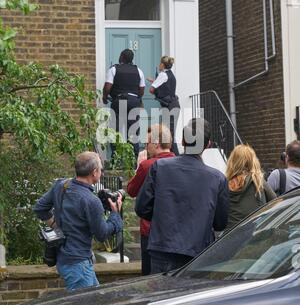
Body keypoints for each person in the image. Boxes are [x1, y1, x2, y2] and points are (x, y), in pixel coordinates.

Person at [135, 118, 229, 274]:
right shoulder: (217, 179)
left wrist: (163, 217)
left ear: (183, 141)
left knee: (161, 297)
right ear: (208, 145)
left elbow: (142, 208)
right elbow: (220, 223)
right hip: (197, 252)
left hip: (162, 248)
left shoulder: (159, 167)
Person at [34, 151, 123, 291]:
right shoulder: (91, 201)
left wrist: (55, 225)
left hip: (65, 258)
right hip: (77, 264)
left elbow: (40, 208)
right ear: (94, 172)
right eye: (100, 169)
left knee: (95, 301)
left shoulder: (61, 185)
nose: (101, 172)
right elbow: (102, 234)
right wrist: (115, 213)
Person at [127, 124, 175, 275]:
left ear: (156, 143)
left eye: (147, 142)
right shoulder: (181, 164)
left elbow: (131, 191)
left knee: (150, 275)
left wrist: (139, 167)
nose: (146, 146)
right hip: (175, 229)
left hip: (151, 230)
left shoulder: (147, 165)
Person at [102, 49, 145, 157]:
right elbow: (142, 90)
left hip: (119, 101)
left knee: (115, 130)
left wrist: (104, 97)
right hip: (134, 102)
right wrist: (135, 99)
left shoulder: (114, 69)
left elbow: (108, 86)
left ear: (122, 56)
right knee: (133, 131)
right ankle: (133, 159)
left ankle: (115, 158)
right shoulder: (138, 71)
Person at [226, 144, 276, 230]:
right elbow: (275, 202)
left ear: (232, 161)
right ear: (252, 161)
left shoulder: (224, 184)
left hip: (230, 236)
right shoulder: (258, 181)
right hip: (254, 233)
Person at [148, 56, 180, 155]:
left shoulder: (162, 74)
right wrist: (155, 81)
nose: (159, 65)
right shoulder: (170, 75)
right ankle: (173, 156)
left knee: (168, 134)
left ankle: (176, 157)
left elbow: (151, 90)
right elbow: (166, 87)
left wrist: (154, 85)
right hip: (174, 105)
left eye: (160, 63)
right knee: (169, 133)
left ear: (162, 64)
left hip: (169, 107)